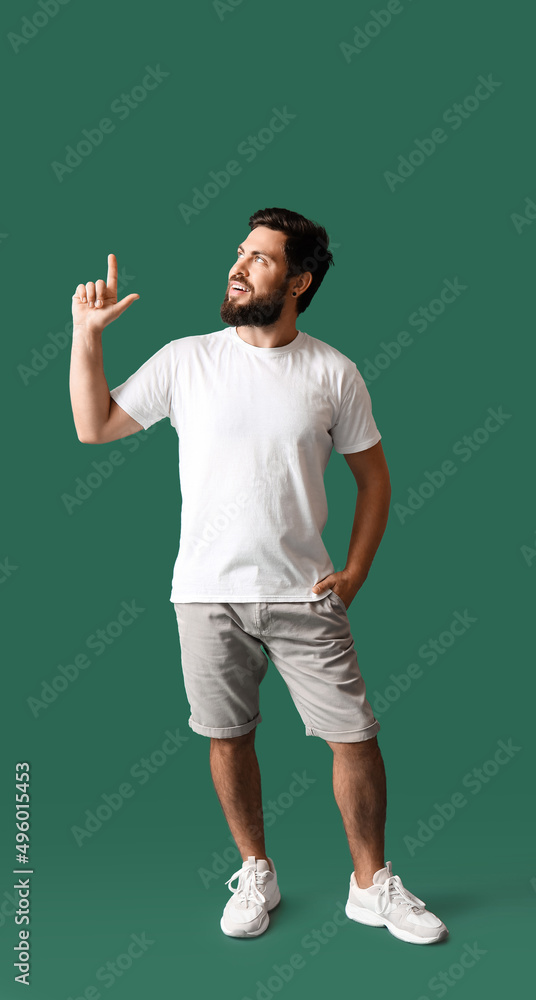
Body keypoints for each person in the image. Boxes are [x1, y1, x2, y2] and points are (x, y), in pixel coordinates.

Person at [69, 206, 448, 945]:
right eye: (240, 253)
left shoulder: (333, 373)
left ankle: (371, 887)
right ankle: (256, 870)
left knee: (354, 737)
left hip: (305, 592)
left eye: (262, 259)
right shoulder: (187, 360)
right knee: (227, 734)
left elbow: (375, 480)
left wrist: (357, 570)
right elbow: (95, 426)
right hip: (205, 595)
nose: (238, 266)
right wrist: (87, 338)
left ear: (299, 281)